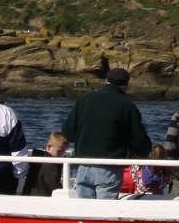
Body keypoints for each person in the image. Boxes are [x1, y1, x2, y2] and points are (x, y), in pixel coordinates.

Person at [62, 66, 153, 199]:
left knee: (84, 212)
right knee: (104, 211)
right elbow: (138, 140)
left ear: (105, 81)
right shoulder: (126, 105)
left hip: (83, 165)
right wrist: (143, 152)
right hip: (109, 167)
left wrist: (84, 139)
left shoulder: (85, 99)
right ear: (126, 86)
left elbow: (68, 132)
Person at [21, 131, 70, 197]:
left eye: (64, 152)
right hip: (42, 198)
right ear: (49, 147)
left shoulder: (37, 158)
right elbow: (53, 186)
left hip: (30, 194)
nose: (61, 155)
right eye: (59, 151)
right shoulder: (51, 165)